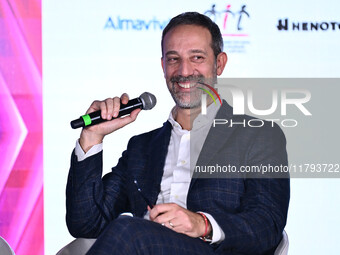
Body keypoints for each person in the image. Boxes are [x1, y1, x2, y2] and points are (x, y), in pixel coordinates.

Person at [66, 12, 290, 255]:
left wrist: (201, 224)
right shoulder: (142, 148)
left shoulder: (258, 136)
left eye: (197, 57)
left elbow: (268, 224)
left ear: (219, 63)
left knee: (127, 229)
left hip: (210, 251)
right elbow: (86, 223)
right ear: (163, 66)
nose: (184, 71)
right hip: (139, 246)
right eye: (173, 59)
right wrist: (91, 137)